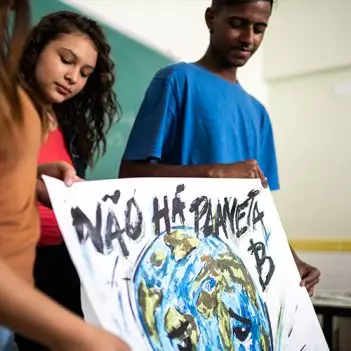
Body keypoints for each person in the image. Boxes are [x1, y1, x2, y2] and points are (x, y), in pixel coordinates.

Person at [119, 0, 320, 296]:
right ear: (211, 18)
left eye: (259, 28)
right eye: (238, 24)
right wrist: (215, 173)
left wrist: (293, 260)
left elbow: (259, 206)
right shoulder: (177, 80)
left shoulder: (258, 113)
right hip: (175, 268)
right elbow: (130, 174)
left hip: (233, 277)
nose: (248, 38)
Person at [0, 1, 129, 350]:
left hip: (62, 261)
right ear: (36, 48)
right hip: (19, 267)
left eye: (85, 72)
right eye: (66, 60)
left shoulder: (71, 132)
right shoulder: (10, 109)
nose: (74, 77)